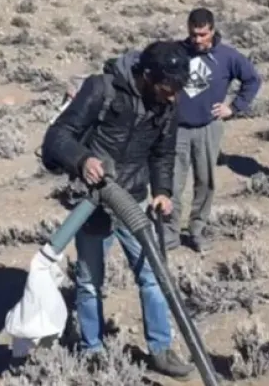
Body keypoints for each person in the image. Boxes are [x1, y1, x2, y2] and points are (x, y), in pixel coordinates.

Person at [40, 40, 196, 379]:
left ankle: (161, 349)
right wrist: (82, 160)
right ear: (146, 76)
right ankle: (92, 349)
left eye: (177, 89)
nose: (173, 96)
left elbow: (162, 154)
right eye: (167, 88)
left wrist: (164, 191)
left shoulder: (167, 103)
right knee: (89, 280)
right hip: (94, 201)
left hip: (136, 201)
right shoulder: (102, 89)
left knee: (153, 276)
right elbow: (57, 136)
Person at [165, 8, 261, 252]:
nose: (198, 40)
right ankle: (170, 233)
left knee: (205, 181)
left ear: (213, 30)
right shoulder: (177, 51)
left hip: (209, 127)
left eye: (203, 34)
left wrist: (234, 107)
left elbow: (252, 79)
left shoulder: (227, 56)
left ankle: (196, 230)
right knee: (173, 183)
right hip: (177, 128)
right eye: (193, 34)